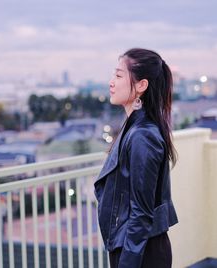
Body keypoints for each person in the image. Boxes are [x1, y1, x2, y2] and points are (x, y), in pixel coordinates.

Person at [94, 48, 178, 268]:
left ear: (141, 85)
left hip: (141, 252)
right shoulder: (136, 128)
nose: (111, 82)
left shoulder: (142, 135)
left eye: (119, 76)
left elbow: (141, 213)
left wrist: (127, 263)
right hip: (137, 246)